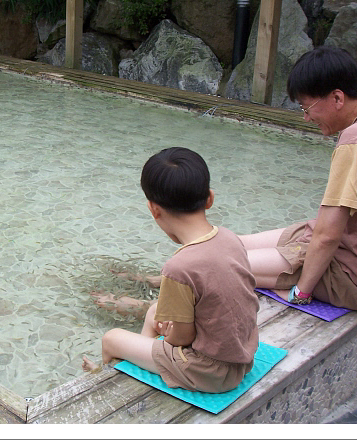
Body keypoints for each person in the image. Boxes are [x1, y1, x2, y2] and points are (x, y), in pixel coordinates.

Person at [82, 147, 259, 393]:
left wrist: (170, 335)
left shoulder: (179, 268)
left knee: (111, 339)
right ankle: (136, 364)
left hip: (208, 372)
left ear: (154, 209)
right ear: (209, 198)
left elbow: (182, 339)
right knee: (154, 311)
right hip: (242, 358)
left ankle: (103, 381)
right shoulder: (230, 239)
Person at [238, 46, 357, 310]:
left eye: (307, 108)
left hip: (354, 275)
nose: (306, 118)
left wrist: (301, 293)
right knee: (232, 245)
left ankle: (161, 284)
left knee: (223, 265)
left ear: (337, 98)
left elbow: (327, 236)